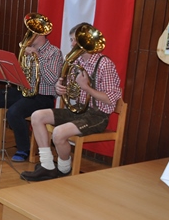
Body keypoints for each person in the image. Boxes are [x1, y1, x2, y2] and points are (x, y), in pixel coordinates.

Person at [21, 23, 122, 182]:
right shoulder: (77, 62)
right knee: (37, 116)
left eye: (76, 41)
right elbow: (67, 88)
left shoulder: (104, 64)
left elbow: (111, 99)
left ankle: (63, 169)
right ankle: (47, 165)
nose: (73, 44)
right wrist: (60, 88)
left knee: (59, 133)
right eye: (72, 40)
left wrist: (86, 88)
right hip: (78, 110)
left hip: (97, 115)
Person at [0, 23, 63, 162]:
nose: (29, 35)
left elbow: (52, 80)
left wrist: (38, 58)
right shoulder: (27, 50)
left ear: (42, 33)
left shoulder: (54, 52)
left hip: (43, 96)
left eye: (33, 32)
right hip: (25, 92)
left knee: (14, 112)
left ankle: (23, 148)